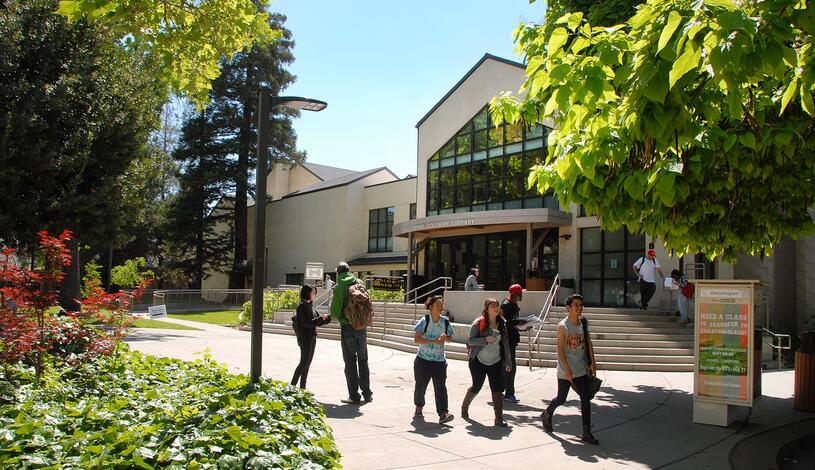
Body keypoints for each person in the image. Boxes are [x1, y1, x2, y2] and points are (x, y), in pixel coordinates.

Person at [541, 294, 599, 445]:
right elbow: (560, 349)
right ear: (568, 307)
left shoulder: (583, 323)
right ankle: (547, 413)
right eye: (575, 305)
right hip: (565, 369)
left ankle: (586, 432)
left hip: (580, 369)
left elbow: (589, 343)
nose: (579, 308)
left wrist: (593, 363)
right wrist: (567, 371)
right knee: (561, 398)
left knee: (585, 399)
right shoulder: (563, 326)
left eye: (580, 305)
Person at [461, 298, 512, 427]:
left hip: (495, 361)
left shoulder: (502, 323)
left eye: (497, 305)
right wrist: (485, 339)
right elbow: (470, 341)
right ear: (486, 309)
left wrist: (508, 361)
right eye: (492, 305)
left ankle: (499, 419)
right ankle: (465, 406)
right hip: (478, 360)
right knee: (477, 386)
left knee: (497, 389)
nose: (495, 307)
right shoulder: (479, 323)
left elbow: (505, 343)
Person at [329, 262, 372, 404]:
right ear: (349, 271)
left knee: (350, 361)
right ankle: (367, 393)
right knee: (363, 360)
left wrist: (341, 318)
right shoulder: (359, 282)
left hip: (348, 327)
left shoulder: (340, 287)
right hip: (361, 326)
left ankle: (353, 396)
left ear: (338, 273)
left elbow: (334, 312)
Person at [413, 295, 455, 424]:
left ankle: (443, 413)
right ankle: (419, 406)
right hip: (423, 360)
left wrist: (445, 338)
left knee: (441, 387)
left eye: (442, 304)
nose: (441, 307)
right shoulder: (424, 320)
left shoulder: (445, 321)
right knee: (421, 385)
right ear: (431, 306)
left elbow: (450, 338)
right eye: (438, 304)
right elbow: (417, 339)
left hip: (439, 361)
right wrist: (433, 341)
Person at [291, 284, 330, 389]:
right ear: (307, 293)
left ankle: (302, 387)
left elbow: (317, 321)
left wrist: (326, 319)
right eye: (313, 292)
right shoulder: (302, 306)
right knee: (304, 362)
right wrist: (320, 319)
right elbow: (305, 323)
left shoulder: (311, 306)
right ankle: (292, 386)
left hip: (312, 337)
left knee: (307, 363)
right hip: (305, 338)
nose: (314, 295)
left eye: (314, 293)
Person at [502, 284, 524, 404]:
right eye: (520, 293)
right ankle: (509, 393)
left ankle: (505, 390)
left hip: (512, 339)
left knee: (509, 366)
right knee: (510, 366)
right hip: (507, 340)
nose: (521, 296)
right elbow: (505, 323)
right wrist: (518, 322)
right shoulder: (506, 305)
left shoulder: (514, 305)